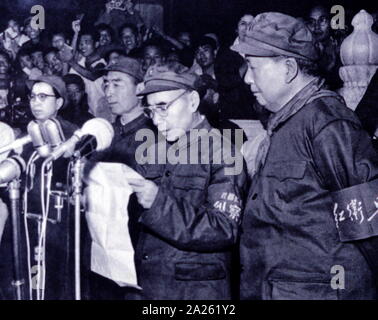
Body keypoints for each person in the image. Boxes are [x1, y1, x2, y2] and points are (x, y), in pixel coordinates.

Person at [232, 12, 378, 300]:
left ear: (288, 69)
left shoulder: (327, 124)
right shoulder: (287, 121)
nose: (247, 79)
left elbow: (369, 228)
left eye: (253, 67)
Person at [130, 63, 247, 299]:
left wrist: (158, 203)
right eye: (150, 111)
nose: (156, 119)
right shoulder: (153, 151)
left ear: (193, 102)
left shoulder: (224, 153)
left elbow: (223, 229)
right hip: (150, 287)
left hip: (196, 292)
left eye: (163, 107)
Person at [84, 56, 156, 300]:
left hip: (136, 250)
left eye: (117, 84)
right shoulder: (104, 134)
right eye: (106, 84)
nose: (109, 92)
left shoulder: (154, 135)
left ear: (139, 89)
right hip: (101, 249)